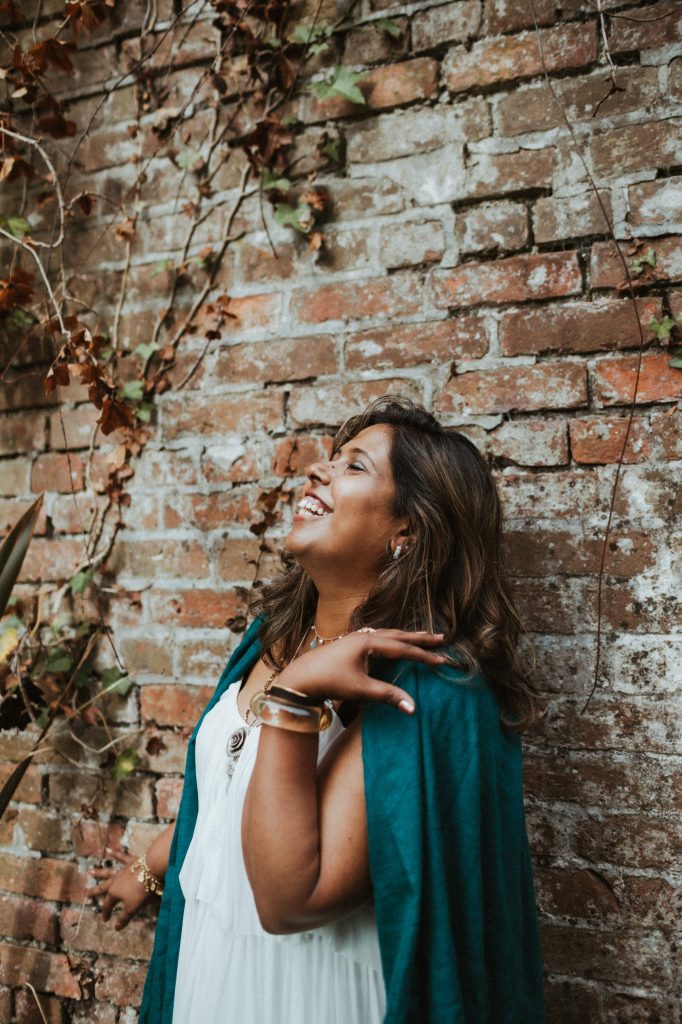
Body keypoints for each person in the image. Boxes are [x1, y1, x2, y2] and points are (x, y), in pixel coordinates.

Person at [89, 395, 546, 1023]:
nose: (318, 471)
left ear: (407, 531)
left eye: (354, 467)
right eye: (329, 460)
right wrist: (150, 867)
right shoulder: (272, 637)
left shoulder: (427, 689)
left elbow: (290, 898)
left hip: (310, 990)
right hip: (212, 968)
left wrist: (294, 699)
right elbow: (226, 796)